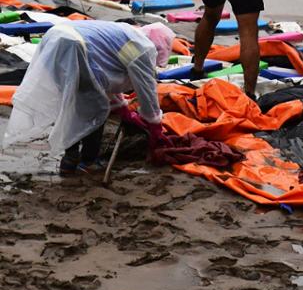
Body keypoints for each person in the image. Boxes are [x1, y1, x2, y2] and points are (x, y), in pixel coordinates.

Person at [2, 20, 174, 176]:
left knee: (72, 101)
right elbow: (147, 90)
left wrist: (122, 108)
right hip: (75, 45)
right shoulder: (142, 47)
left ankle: (69, 159)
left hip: (54, 37)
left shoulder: (126, 34)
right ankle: (88, 162)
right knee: (95, 107)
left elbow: (106, 72)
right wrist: (154, 126)